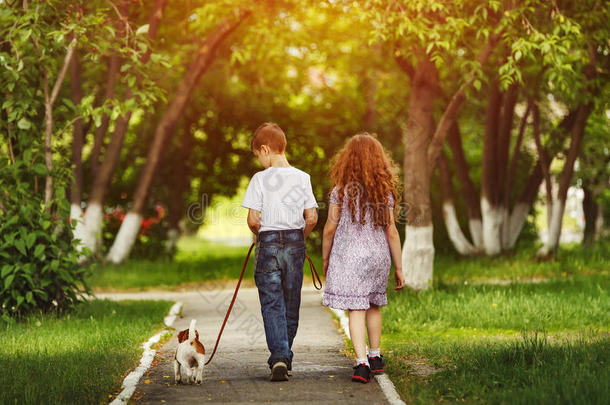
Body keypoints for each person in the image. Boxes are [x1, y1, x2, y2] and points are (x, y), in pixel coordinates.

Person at [321, 133, 405, 384]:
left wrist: (325, 258)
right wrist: (399, 267)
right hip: (378, 256)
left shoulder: (340, 191)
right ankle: (376, 357)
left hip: (349, 257)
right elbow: (391, 231)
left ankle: (361, 364)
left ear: (347, 160)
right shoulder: (384, 191)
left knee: (356, 308)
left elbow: (329, 228)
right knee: (374, 304)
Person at [242, 122, 318, 381]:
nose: (259, 161)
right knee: (291, 301)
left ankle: (279, 357)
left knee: (272, 303)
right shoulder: (303, 177)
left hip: (269, 244)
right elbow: (312, 217)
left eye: (258, 155)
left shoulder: (260, 179)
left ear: (264, 149)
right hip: (295, 244)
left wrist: (261, 236)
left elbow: (253, 220)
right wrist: (298, 239)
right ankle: (284, 355)